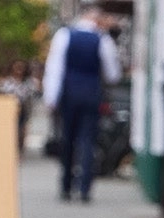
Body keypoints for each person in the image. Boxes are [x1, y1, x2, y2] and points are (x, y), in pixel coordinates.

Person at [43, 6, 118, 203]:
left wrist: (51, 97)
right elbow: (112, 73)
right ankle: (84, 188)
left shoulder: (64, 35)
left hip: (69, 94)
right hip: (91, 94)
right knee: (88, 141)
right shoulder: (103, 40)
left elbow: (55, 68)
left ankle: (66, 185)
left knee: (68, 139)